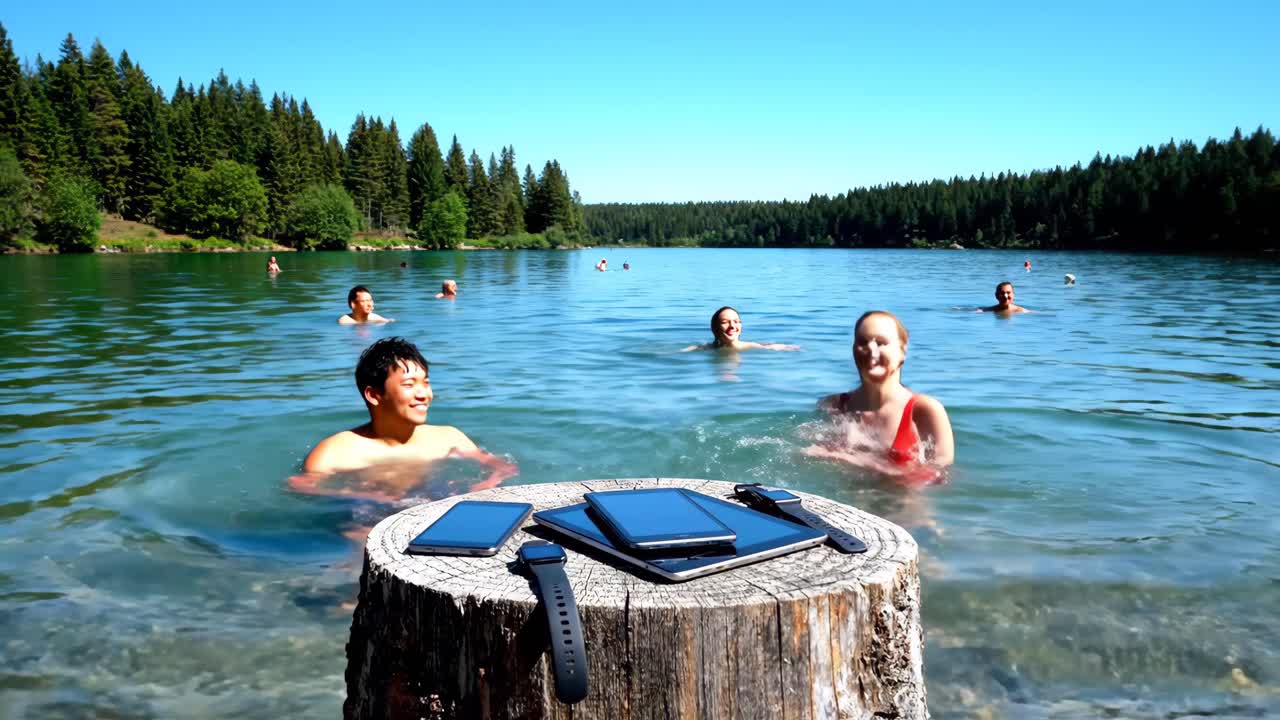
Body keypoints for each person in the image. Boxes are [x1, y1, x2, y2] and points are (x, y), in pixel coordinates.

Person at [291, 337, 517, 501]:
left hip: (441, 502)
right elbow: (300, 486)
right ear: (374, 395)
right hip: (368, 517)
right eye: (409, 385)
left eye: (426, 383)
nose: (424, 394)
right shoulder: (337, 451)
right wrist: (367, 496)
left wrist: (485, 485)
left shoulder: (449, 438)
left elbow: (504, 467)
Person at [815, 311, 954, 473]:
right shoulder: (833, 406)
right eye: (862, 342)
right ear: (853, 350)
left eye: (881, 343)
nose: (871, 349)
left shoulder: (925, 410)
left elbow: (938, 475)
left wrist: (857, 460)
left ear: (902, 351)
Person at [683, 306, 799, 351]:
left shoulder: (751, 346)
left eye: (736, 322)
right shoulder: (701, 349)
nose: (732, 326)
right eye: (725, 322)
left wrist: (790, 347)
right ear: (714, 328)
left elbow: (770, 346)